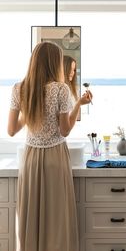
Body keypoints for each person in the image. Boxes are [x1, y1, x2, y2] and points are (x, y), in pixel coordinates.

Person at [7, 41, 92, 251]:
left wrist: (32, 109)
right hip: (55, 157)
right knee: (56, 219)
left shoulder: (19, 89)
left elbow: (11, 130)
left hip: (30, 159)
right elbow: (64, 130)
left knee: (32, 215)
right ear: (54, 63)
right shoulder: (61, 90)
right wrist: (78, 107)